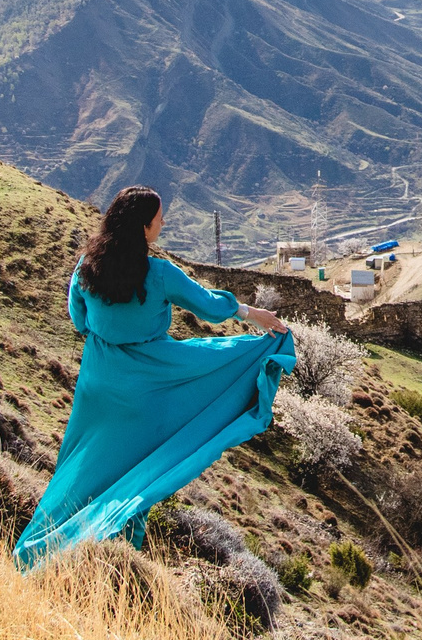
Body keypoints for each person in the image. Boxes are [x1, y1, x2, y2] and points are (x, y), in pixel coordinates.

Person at [15, 186, 293, 568]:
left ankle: (43, 547)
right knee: (140, 470)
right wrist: (250, 313)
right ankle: (118, 557)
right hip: (149, 383)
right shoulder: (159, 274)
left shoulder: (86, 267)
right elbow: (210, 308)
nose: (163, 223)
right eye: (159, 219)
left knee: (83, 464)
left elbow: (80, 321)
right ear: (144, 228)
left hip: (99, 381)